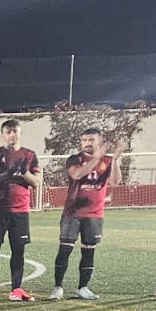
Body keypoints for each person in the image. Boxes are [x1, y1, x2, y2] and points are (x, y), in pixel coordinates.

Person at [0, 118, 40, 302]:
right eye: (8, 132)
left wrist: (24, 172)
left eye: (15, 131)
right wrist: (7, 173)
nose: (12, 135)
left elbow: (36, 182)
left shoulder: (29, 155)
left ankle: (16, 289)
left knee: (18, 250)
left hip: (20, 210)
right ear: (3, 135)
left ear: (20, 133)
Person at [53, 128, 113, 300]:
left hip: (94, 214)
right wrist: (96, 157)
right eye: (84, 140)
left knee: (89, 252)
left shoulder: (107, 161)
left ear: (99, 142)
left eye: (91, 140)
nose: (87, 143)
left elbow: (115, 181)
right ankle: (58, 287)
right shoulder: (74, 159)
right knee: (65, 250)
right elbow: (77, 174)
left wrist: (115, 159)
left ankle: (83, 287)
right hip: (72, 212)